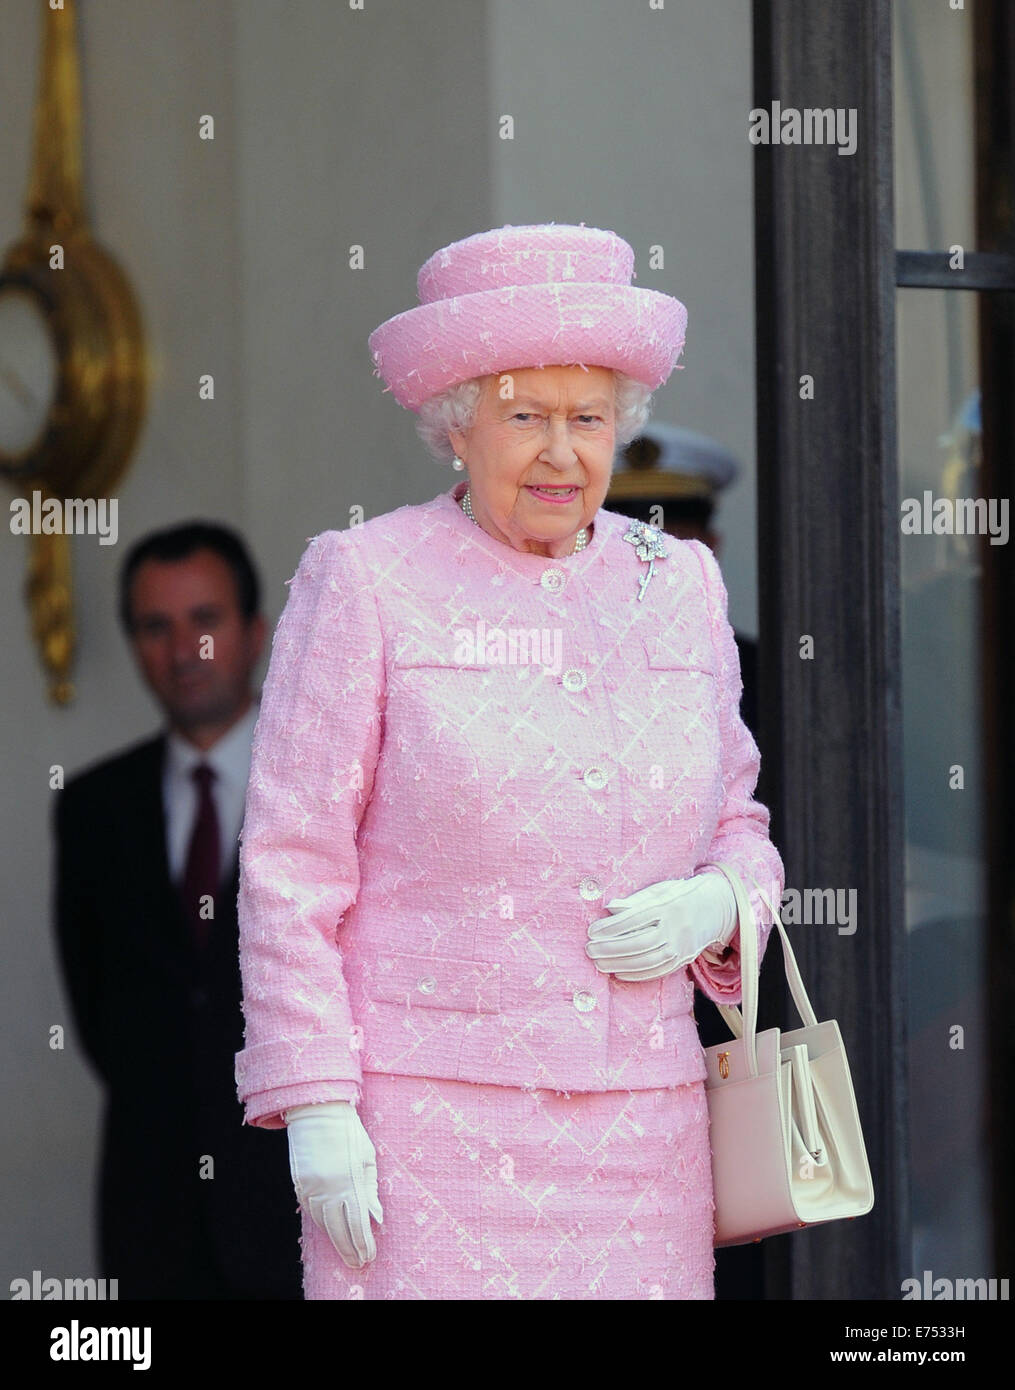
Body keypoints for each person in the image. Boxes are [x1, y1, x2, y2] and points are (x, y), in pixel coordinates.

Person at [234, 223, 785, 1301]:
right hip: (424, 1138)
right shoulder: (365, 580)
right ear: (455, 426)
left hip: (644, 1139)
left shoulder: (676, 586)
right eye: (524, 416)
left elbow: (741, 825)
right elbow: (291, 867)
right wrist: (316, 1103)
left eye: (588, 419)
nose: (561, 453)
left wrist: (717, 904)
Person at [52, 522, 302, 1299]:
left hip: (301, 1207)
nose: (180, 648)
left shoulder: (323, 785)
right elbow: (98, 1013)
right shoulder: (94, 806)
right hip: (151, 1211)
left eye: (205, 620)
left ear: (255, 632)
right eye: (155, 627)